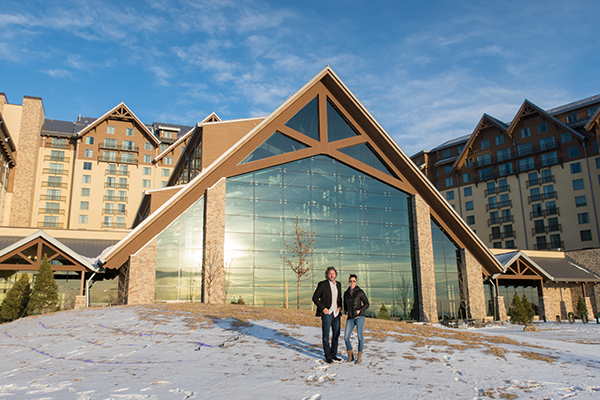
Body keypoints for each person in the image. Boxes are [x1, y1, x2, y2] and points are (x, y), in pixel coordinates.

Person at [312, 266, 342, 364]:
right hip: (327, 313)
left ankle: (334, 355)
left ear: (336, 274)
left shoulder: (339, 285)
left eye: (333, 273)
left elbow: (339, 298)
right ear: (327, 275)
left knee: (336, 335)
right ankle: (328, 356)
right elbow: (315, 298)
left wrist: (340, 306)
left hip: (336, 314)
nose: (332, 275)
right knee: (326, 335)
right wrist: (323, 308)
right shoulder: (322, 284)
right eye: (330, 273)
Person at [343, 274, 369, 364]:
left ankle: (359, 357)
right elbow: (345, 305)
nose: (352, 282)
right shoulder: (346, 293)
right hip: (350, 317)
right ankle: (350, 356)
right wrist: (346, 311)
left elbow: (367, 304)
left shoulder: (360, 292)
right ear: (349, 282)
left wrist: (359, 310)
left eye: (354, 281)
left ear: (356, 282)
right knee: (346, 337)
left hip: (359, 317)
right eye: (350, 281)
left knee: (359, 336)